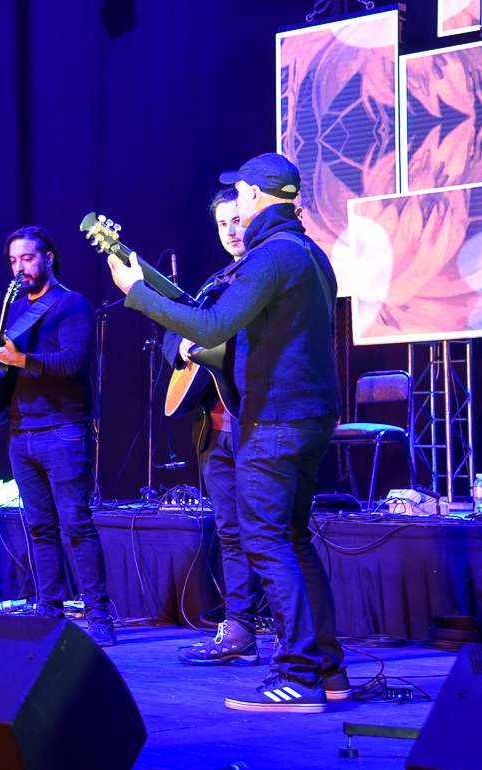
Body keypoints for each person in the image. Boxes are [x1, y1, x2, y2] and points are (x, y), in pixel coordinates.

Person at [108, 153, 347, 712]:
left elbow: (213, 326)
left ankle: (298, 676)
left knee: (267, 541)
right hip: (305, 418)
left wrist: (138, 292)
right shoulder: (308, 252)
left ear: (257, 195)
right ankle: (328, 669)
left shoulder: (272, 255)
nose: (236, 206)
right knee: (292, 540)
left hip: (275, 421)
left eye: (239, 194)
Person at [0, 226, 115, 647]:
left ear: (49, 258)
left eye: (28, 258)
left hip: (65, 431)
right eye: (13, 261)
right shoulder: (16, 310)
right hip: (23, 433)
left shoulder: (73, 304)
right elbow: (5, 365)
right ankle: (48, 611)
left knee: (76, 525)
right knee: (39, 527)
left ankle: (99, 616)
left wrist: (20, 360)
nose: (20, 268)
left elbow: (72, 363)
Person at [173, 187, 269, 666]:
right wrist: (181, 347)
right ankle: (239, 629)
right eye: (222, 224)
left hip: (259, 424)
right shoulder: (216, 281)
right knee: (230, 532)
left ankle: (292, 635)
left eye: (237, 220)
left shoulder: (268, 273)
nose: (231, 231)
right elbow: (178, 329)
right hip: (215, 430)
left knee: (269, 532)